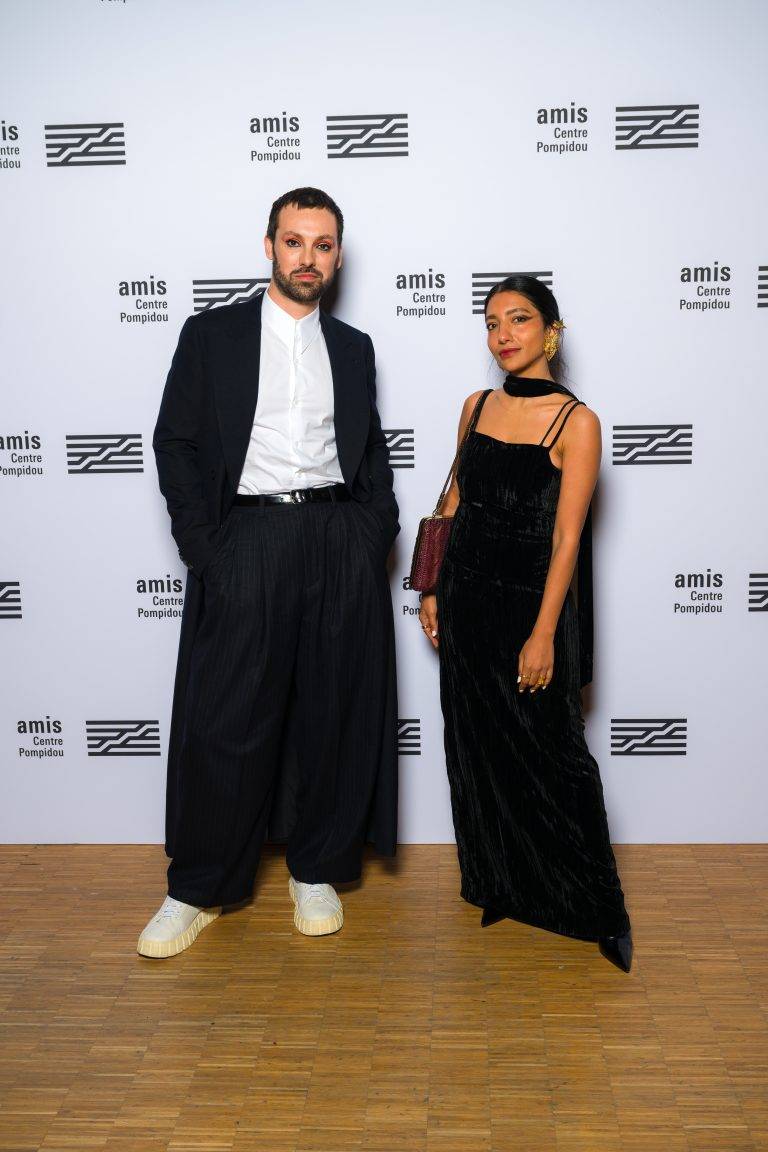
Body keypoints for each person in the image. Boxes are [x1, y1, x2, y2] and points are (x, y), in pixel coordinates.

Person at [138, 187, 399, 958]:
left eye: (322, 245)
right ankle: (196, 887)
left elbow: (368, 450)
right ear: (269, 246)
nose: (307, 258)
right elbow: (175, 444)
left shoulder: (353, 348)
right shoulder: (211, 334)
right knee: (228, 717)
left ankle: (315, 869)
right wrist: (206, 548)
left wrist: (368, 531)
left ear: (338, 256)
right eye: (294, 242)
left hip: (334, 537)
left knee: (330, 711)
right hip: (246, 532)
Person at [418, 275, 632, 972]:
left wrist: (543, 633)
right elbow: (451, 499)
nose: (503, 334)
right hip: (468, 604)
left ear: (551, 331)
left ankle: (597, 909)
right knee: (477, 748)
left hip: (531, 611)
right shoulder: (475, 405)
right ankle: (502, 883)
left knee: (556, 757)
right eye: (491, 323)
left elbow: (568, 540)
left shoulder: (579, 422)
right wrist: (429, 589)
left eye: (519, 319)